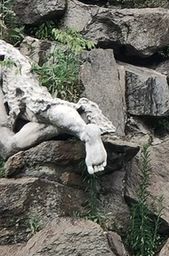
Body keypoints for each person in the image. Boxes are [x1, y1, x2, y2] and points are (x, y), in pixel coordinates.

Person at [0, 40, 115, 174]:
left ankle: (84, 133)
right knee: (8, 146)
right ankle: (76, 127)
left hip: (11, 68)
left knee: (37, 107)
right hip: (11, 66)